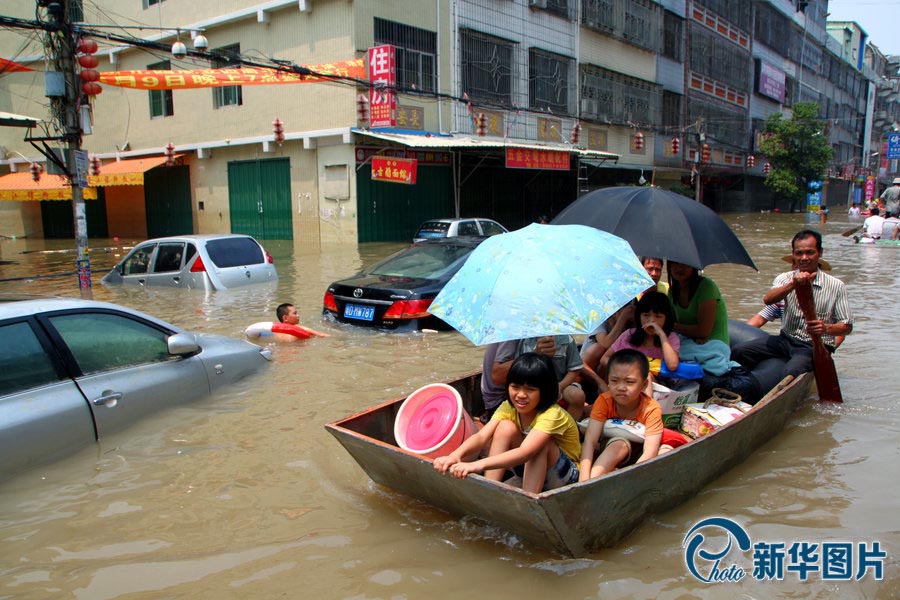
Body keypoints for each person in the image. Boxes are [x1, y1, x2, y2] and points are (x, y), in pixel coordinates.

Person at [433, 353, 582, 493]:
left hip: (565, 476)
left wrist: (476, 464)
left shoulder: (552, 414)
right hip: (529, 468)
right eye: (515, 387)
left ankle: (528, 501)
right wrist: (455, 455)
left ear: (544, 391)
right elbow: (481, 437)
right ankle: (489, 489)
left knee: (539, 445)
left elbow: (526, 452)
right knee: (505, 427)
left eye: (530, 389)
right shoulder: (508, 407)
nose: (521, 395)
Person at [732, 229, 853, 379]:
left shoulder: (836, 286)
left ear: (820, 253)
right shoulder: (784, 279)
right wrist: (793, 284)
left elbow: (847, 327)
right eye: (799, 253)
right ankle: (742, 386)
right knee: (739, 351)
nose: (804, 258)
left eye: (810, 252)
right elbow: (768, 300)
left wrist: (825, 328)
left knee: (792, 372)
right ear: (793, 254)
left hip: (812, 345)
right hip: (786, 339)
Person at [578, 349, 664, 481]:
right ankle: (592, 481)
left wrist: (629, 482)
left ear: (643, 385)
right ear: (608, 382)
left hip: (639, 456)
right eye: (615, 381)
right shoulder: (604, 401)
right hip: (611, 447)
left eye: (629, 382)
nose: (621, 387)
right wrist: (583, 480)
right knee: (619, 444)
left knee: (666, 450)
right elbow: (590, 441)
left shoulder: (651, 408)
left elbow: (650, 452)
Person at [581, 256, 668, 371]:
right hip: (586, 366)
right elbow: (605, 344)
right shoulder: (599, 312)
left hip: (614, 367)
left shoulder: (632, 319)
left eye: (658, 270)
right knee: (598, 348)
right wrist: (622, 319)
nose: (654, 273)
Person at [493, 335, 599, 421]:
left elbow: (574, 369)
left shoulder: (566, 340)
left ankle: (571, 427)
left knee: (577, 395)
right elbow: (522, 366)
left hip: (562, 383)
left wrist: (560, 386)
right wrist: (536, 352)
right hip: (533, 384)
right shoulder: (526, 341)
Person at [598, 291, 680, 384]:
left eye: (658, 316)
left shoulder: (671, 338)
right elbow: (604, 359)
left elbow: (672, 365)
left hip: (658, 386)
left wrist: (661, 335)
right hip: (627, 382)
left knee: (646, 376)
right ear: (639, 316)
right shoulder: (629, 335)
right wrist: (626, 368)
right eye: (646, 315)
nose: (651, 320)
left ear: (666, 318)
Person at [667, 261, 729, 345]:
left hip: (714, 345)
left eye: (684, 264)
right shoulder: (672, 291)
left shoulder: (707, 287)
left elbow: (703, 332)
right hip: (688, 343)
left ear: (693, 267)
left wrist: (671, 326)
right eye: (675, 264)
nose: (679, 268)